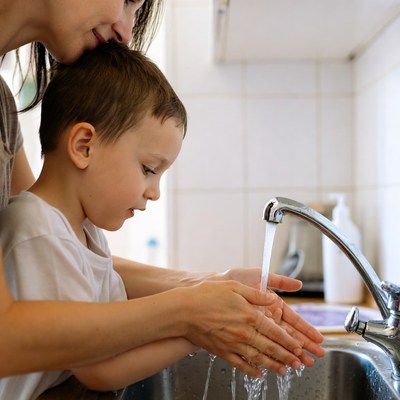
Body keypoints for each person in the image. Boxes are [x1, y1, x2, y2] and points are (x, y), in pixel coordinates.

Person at [0, 0, 324, 381]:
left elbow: (66, 260)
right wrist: (194, 317)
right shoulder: (36, 222)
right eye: (127, 0)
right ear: (84, 146)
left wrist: (210, 288)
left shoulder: (6, 110)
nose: (126, 32)